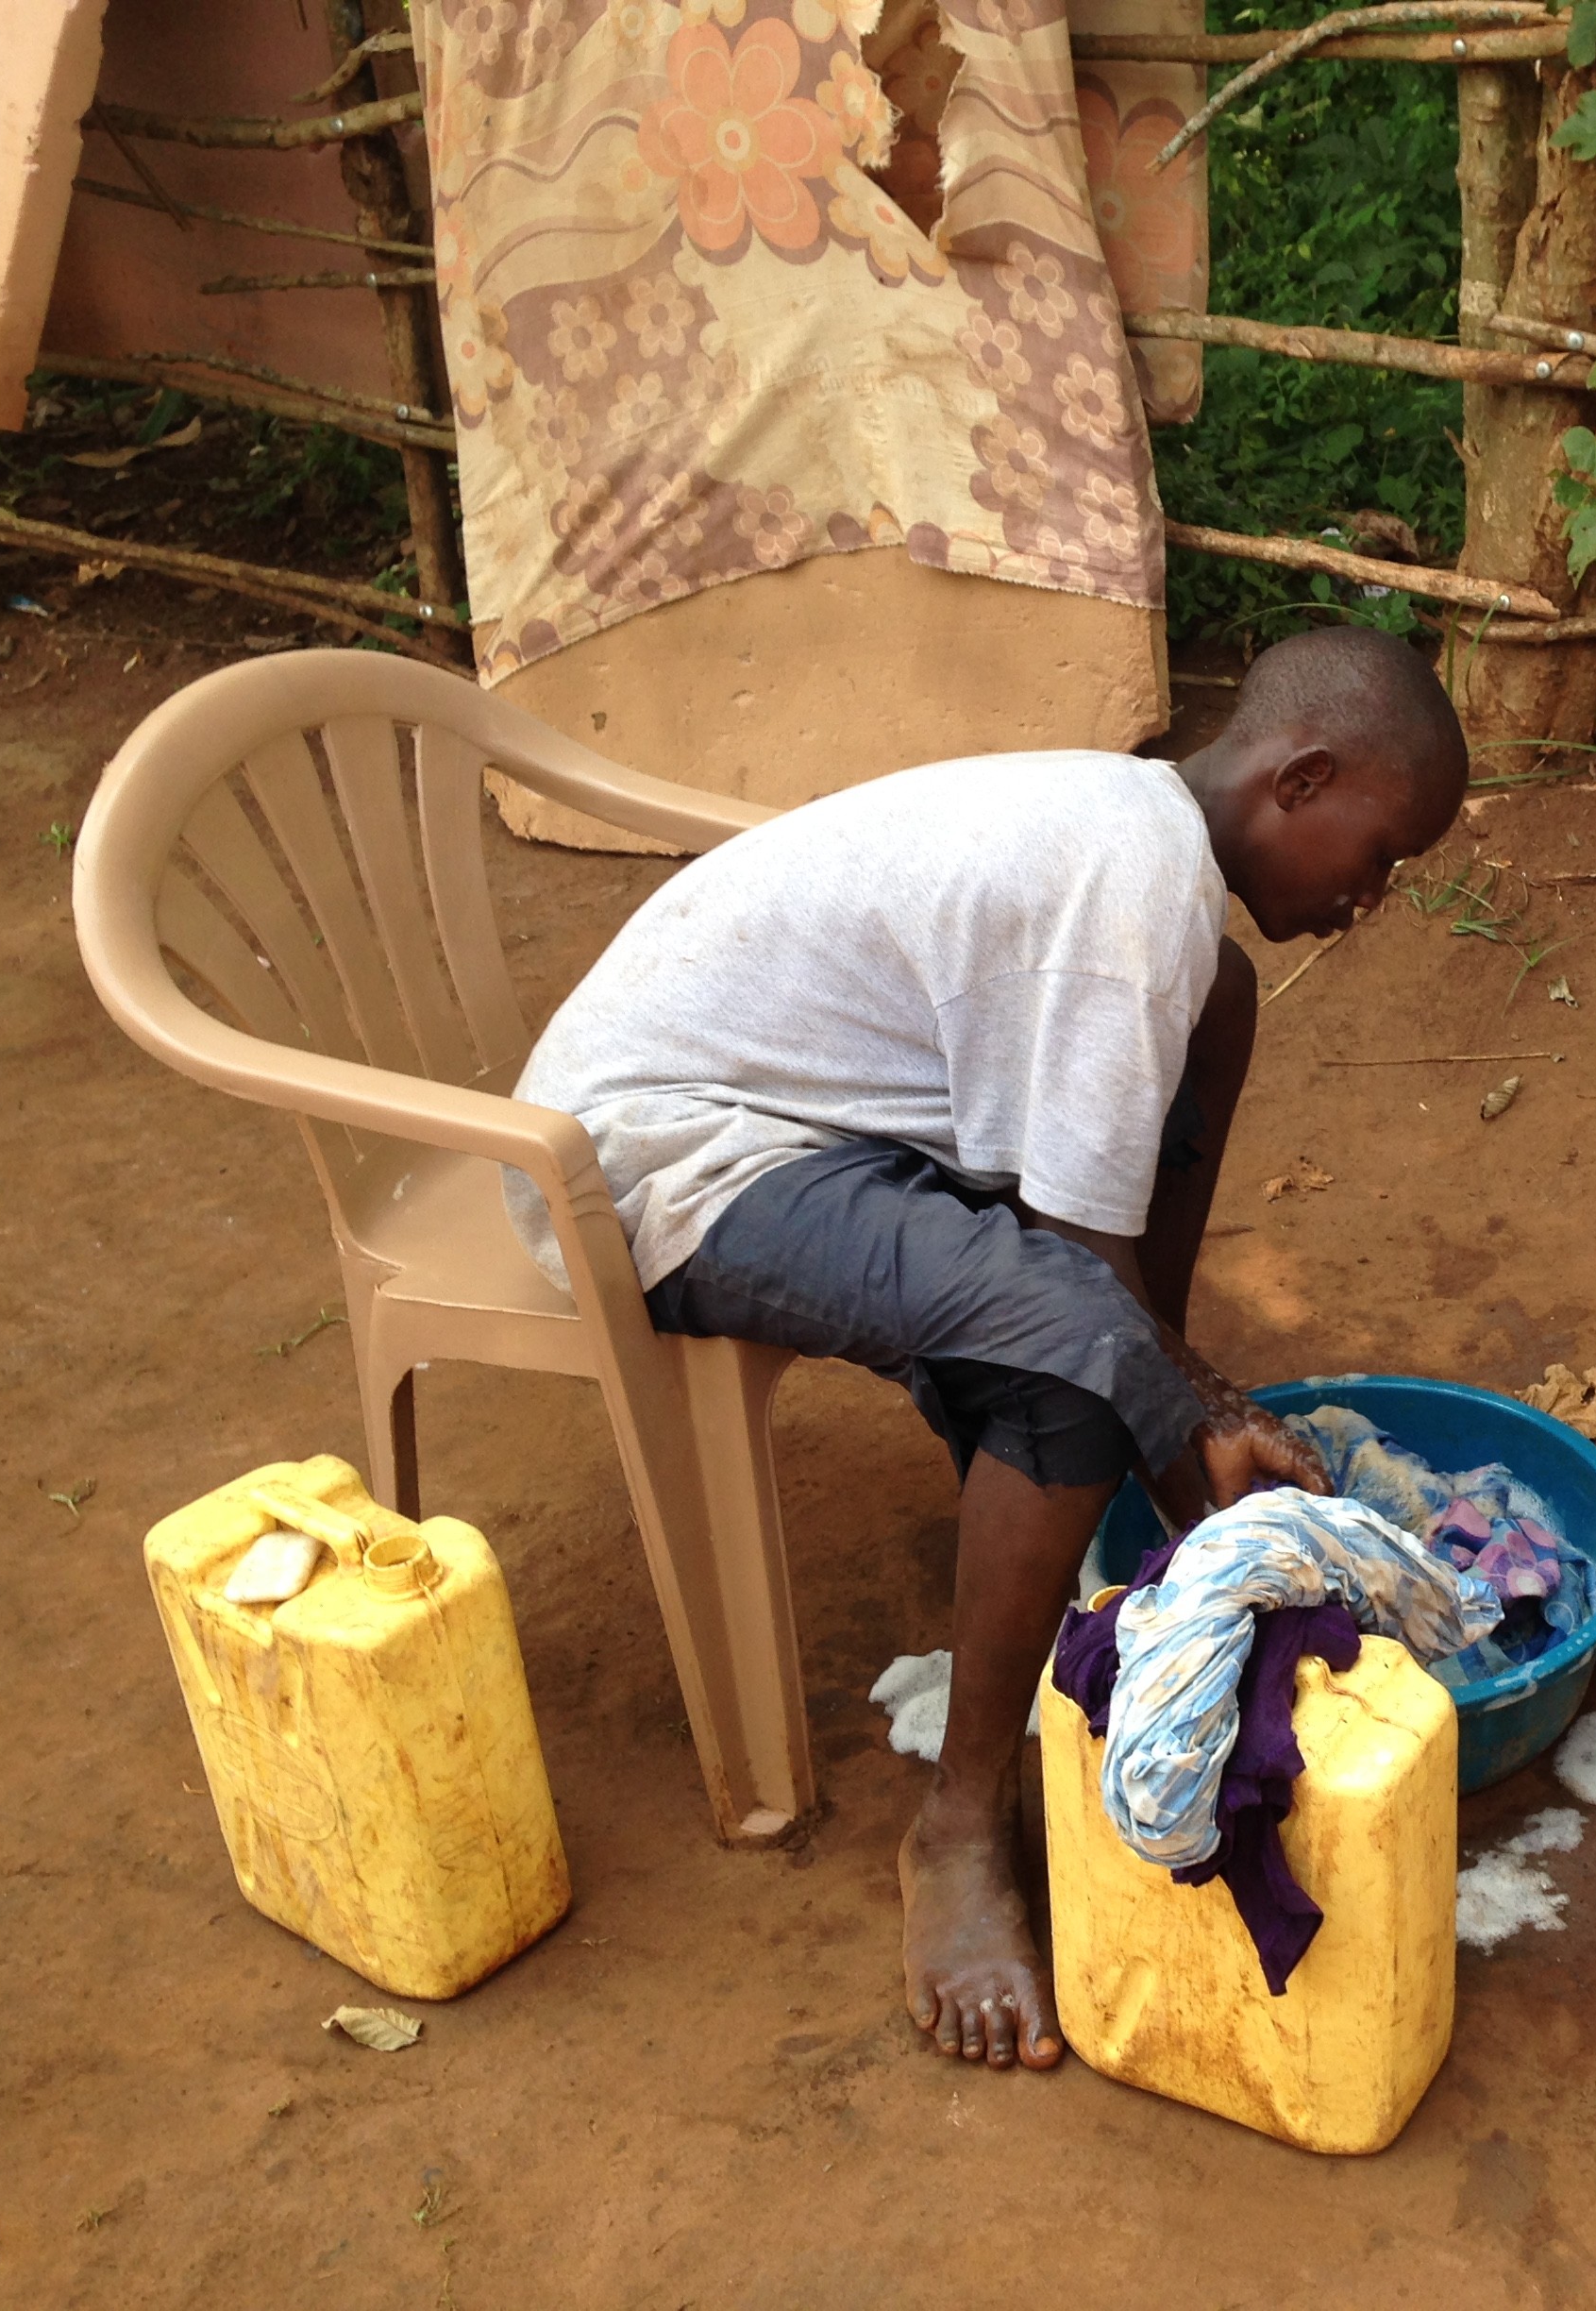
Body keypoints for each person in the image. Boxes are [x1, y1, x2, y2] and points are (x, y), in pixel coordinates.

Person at [504, 625, 1470, 2061]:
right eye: (1381, 854)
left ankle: (1107, 1464)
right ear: (1302, 777)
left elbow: (1086, 1245)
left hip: (815, 1123)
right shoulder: (1129, 890)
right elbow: (1075, 1273)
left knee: (1211, 1030)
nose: (1372, 898)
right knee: (1077, 1356)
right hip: (657, 1159)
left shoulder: (1144, 846)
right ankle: (959, 1828)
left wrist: (1180, 1391)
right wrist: (1196, 1441)